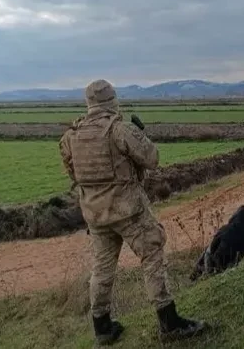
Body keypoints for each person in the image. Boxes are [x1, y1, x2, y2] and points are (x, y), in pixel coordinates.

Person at [59, 79, 208, 345]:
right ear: (112, 100)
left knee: (102, 267)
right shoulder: (119, 129)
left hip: (95, 215)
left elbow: (73, 173)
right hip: (128, 210)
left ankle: (102, 327)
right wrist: (140, 135)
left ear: (89, 103)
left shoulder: (72, 135)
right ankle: (168, 322)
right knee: (152, 254)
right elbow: (152, 159)